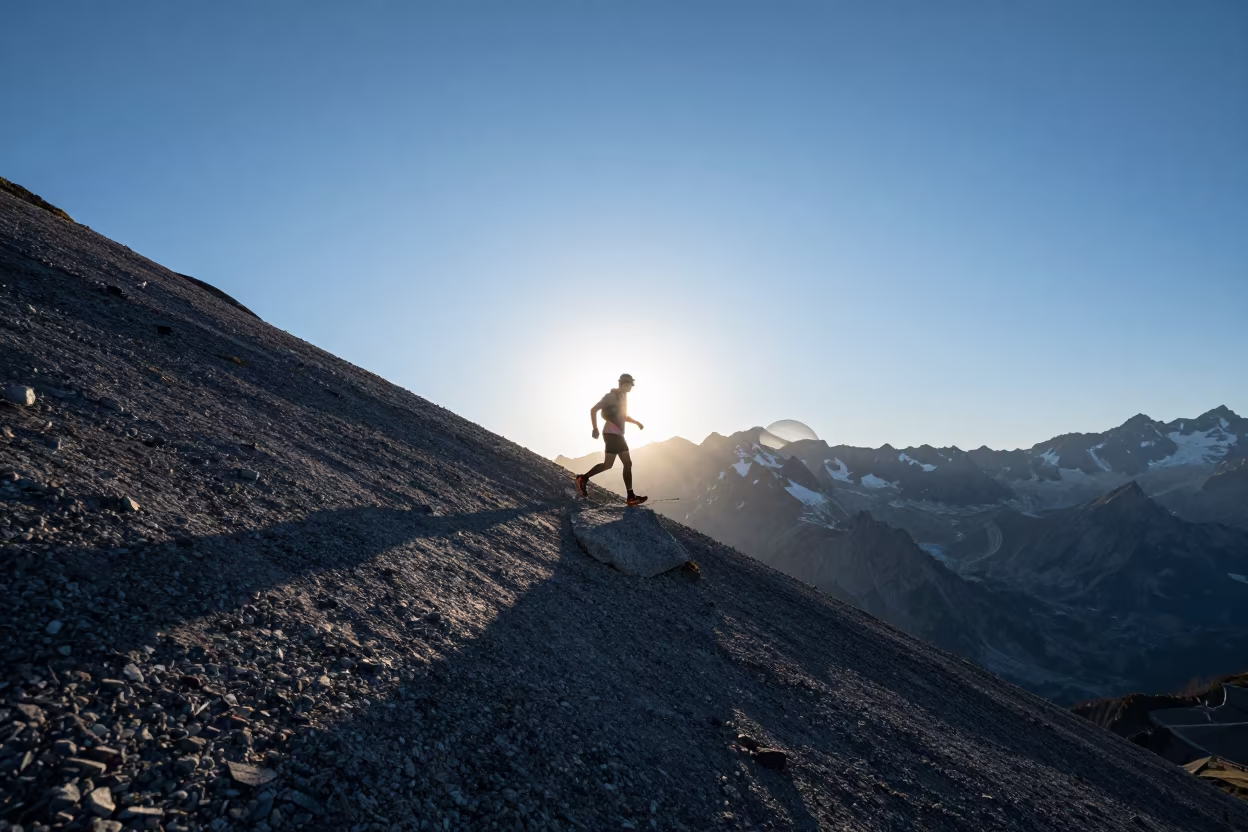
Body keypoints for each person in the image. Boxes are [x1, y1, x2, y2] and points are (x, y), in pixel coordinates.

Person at [576, 373, 647, 505]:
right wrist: (595, 428)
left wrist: (636, 422)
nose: (632, 387)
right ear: (624, 384)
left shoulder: (623, 398)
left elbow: (622, 416)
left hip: (618, 435)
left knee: (618, 464)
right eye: (630, 384)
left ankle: (630, 496)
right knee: (617, 464)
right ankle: (583, 478)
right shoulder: (610, 397)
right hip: (610, 433)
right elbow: (594, 410)